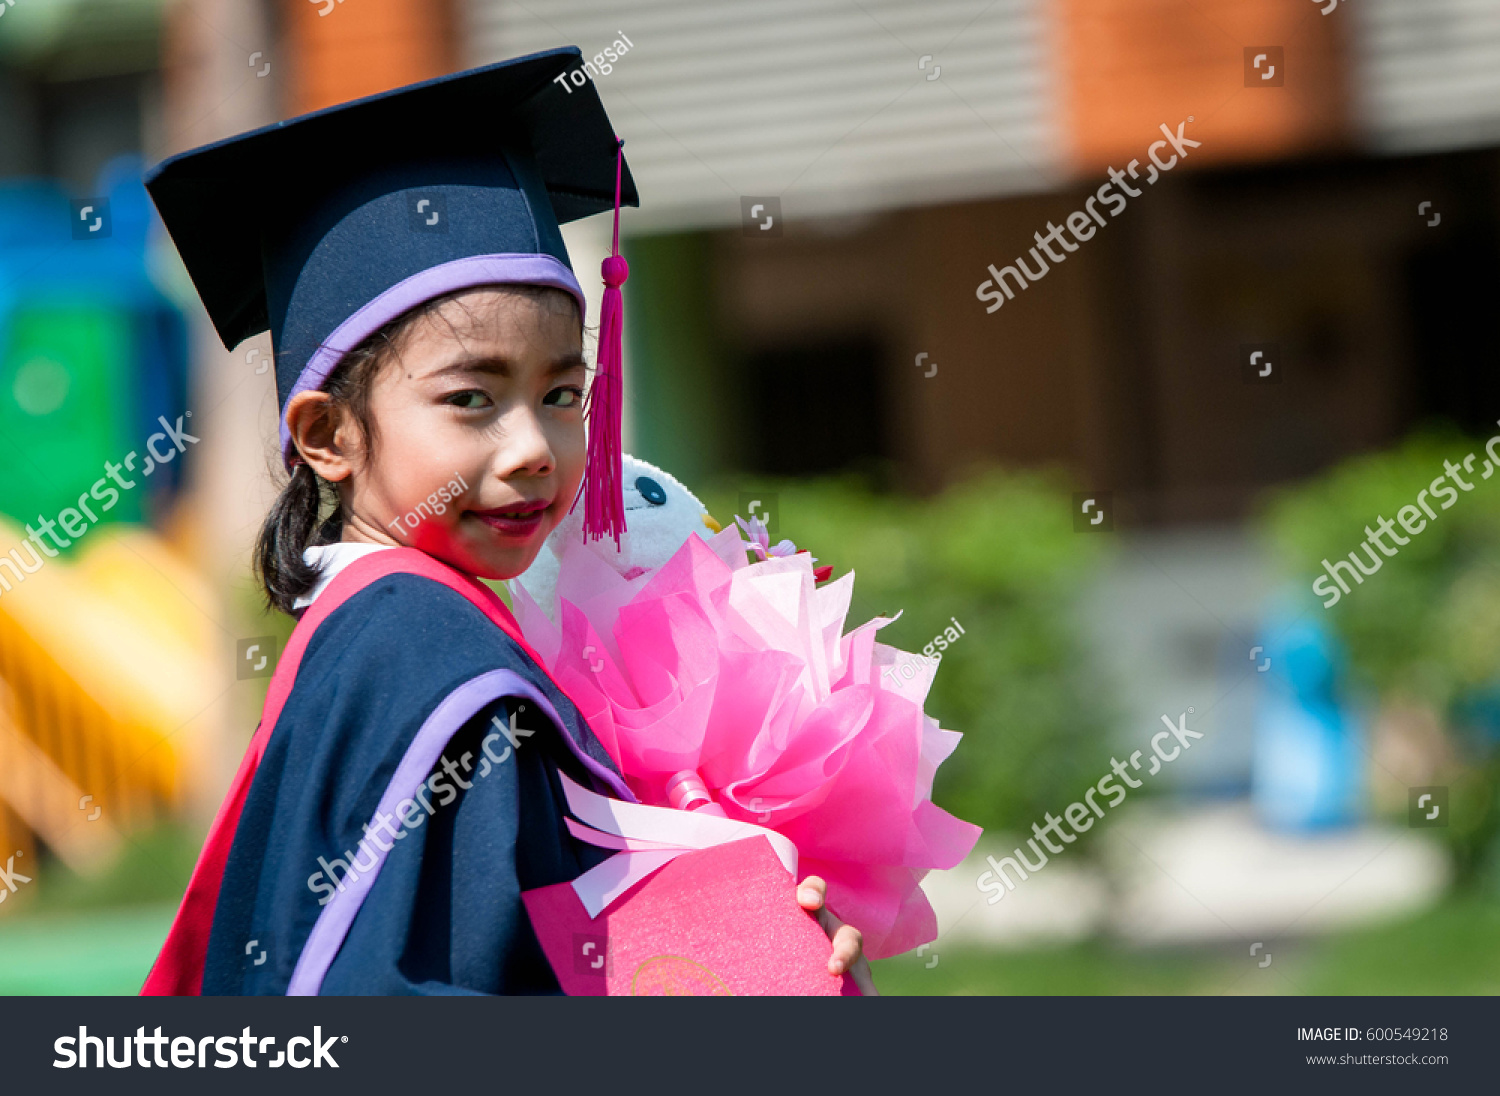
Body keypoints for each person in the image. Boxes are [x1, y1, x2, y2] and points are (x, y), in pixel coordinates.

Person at [139, 47, 869, 995]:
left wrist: (747, 953)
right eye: (472, 400)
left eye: (564, 392)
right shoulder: (430, 653)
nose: (534, 447)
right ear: (327, 435)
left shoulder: (380, 630)